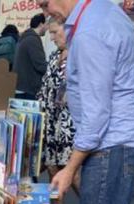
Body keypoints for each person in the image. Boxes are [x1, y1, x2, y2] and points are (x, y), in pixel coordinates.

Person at [47, 0, 134, 204]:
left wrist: (69, 169)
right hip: (122, 139)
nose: (46, 12)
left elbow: (97, 113)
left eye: (44, 4)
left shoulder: (91, 31)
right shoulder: (105, 11)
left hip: (113, 143)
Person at [37, 19, 78, 194]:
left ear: (68, 30)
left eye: (54, 32)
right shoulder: (54, 56)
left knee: (73, 174)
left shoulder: (79, 56)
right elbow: (45, 87)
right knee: (53, 171)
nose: (52, 38)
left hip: (70, 125)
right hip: (50, 123)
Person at [13, 14, 47, 100]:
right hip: (28, 89)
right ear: (41, 24)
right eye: (46, 25)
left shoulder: (24, 38)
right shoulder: (33, 40)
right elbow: (40, 65)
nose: (47, 28)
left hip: (20, 86)